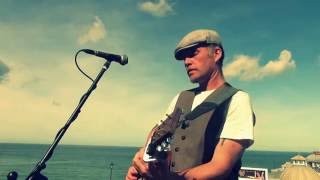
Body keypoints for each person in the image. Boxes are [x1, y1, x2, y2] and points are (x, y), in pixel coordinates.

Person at [126, 29, 255, 180]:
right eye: (184, 58)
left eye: (193, 53)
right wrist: (142, 164)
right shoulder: (181, 97)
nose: (186, 62)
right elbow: (157, 132)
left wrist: (169, 178)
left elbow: (220, 167)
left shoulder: (237, 99)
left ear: (217, 53)